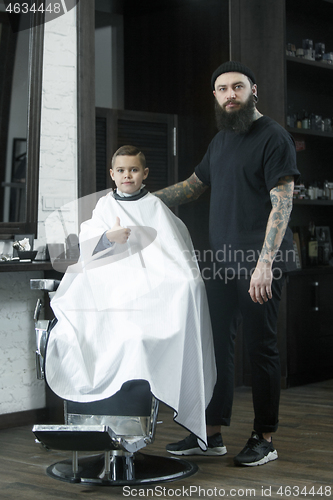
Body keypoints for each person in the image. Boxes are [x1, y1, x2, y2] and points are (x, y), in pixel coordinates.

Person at [154, 61, 300, 466]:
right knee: (215, 348)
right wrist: (141, 200)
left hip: (259, 264)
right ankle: (211, 433)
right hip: (221, 263)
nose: (230, 94)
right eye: (222, 89)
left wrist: (264, 263)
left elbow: (282, 202)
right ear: (215, 97)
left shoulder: (274, 137)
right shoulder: (221, 141)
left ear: (254, 91)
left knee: (261, 350)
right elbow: (193, 187)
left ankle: (264, 438)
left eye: (237, 87)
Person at [44, 145, 217, 446]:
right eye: (121, 170)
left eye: (134, 170)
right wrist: (107, 239)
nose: (127, 175)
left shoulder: (156, 208)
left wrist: (185, 286)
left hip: (151, 304)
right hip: (111, 299)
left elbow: (176, 259)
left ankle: (133, 430)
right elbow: (84, 253)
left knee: (135, 340)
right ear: (112, 174)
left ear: (145, 174)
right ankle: (104, 428)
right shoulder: (104, 208)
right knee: (100, 338)